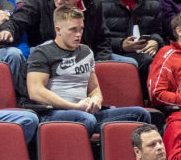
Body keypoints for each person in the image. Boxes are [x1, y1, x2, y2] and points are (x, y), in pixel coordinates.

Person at [24, 7, 153, 132]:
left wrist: (96, 100)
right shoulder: (42, 52)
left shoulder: (86, 51)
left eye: (81, 29)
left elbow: (94, 89)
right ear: (58, 30)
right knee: (87, 120)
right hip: (54, 113)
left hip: (85, 113)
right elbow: (35, 91)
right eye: (73, 30)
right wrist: (74, 106)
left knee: (141, 115)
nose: (78, 34)